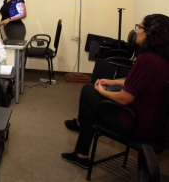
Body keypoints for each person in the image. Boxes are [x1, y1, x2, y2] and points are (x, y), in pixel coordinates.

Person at [62, 14, 169, 169]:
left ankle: (81, 145)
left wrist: (101, 90)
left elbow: (124, 99)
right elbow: (135, 81)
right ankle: (81, 138)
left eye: (139, 27)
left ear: (149, 33)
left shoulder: (146, 59)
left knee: (88, 92)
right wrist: (111, 82)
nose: (137, 31)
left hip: (134, 123)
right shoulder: (162, 60)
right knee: (91, 102)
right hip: (154, 124)